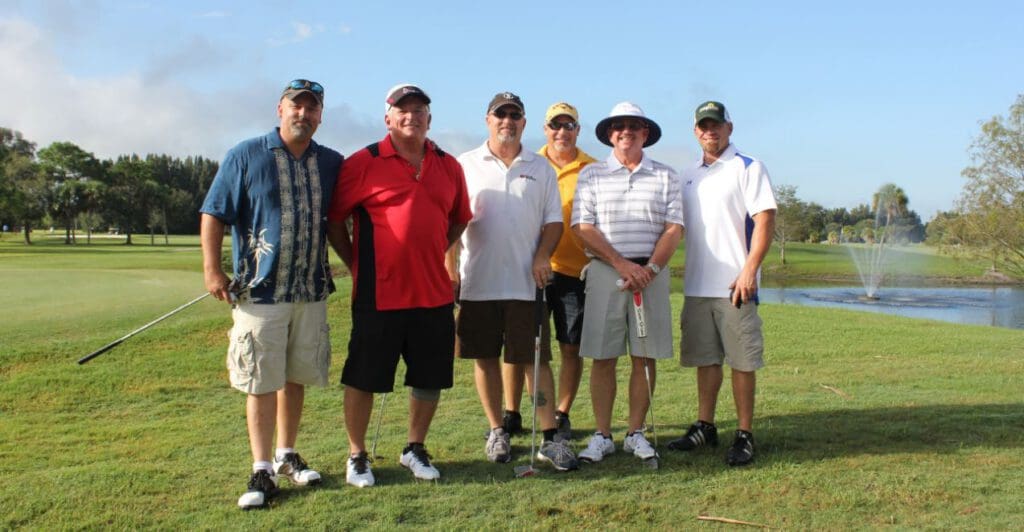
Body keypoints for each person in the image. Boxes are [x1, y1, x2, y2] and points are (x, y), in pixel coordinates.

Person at [200, 79, 342, 510]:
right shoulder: (246, 154)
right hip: (261, 292)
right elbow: (214, 213)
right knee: (261, 380)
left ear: (320, 115)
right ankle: (260, 467)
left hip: (309, 290)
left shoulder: (332, 162)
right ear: (280, 110)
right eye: (296, 106)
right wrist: (212, 268)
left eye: (312, 108)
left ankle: (286, 454)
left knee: (294, 377)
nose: (304, 114)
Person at [327, 84, 472, 487]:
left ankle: (414, 447)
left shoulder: (448, 165)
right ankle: (357, 454)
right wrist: (355, 262)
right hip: (380, 293)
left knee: (429, 377)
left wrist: (433, 249)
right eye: (402, 110)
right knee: (363, 376)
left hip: (433, 293)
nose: (411, 116)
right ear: (388, 118)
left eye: (419, 109)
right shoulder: (363, 162)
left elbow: (460, 217)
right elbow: (335, 221)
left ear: (430, 118)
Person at [449, 92, 579, 471]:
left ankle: (550, 437)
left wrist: (542, 255)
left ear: (524, 122)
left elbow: (553, 221)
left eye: (514, 115)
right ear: (488, 120)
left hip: (526, 284)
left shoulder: (539, 168)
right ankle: (497, 430)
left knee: (533, 362)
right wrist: (450, 266)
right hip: (479, 281)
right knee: (485, 358)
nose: (507, 120)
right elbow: (453, 221)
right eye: (500, 114)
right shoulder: (466, 164)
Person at [572, 102, 684, 465]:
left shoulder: (666, 175)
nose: (626, 131)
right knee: (603, 356)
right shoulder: (592, 175)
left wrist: (649, 269)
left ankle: (635, 432)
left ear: (645, 133)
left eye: (634, 126)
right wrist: (621, 264)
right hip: (607, 272)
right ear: (609, 134)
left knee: (645, 357)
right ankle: (603, 434)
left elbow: (673, 228)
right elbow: (583, 227)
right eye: (618, 126)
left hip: (651, 273)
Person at [667, 100, 777, 467]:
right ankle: (706, 425)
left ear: (729, 127)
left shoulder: (748, 167)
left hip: (735, 285)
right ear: (695, 131)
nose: (710, 131)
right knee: (706, 360)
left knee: (742, 361)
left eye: (716, 124)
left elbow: (764, 221)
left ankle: (744, 433)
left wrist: (750, 270)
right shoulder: (686, 175)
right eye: (703, 126)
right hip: (698, 285)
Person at [501, 102, 596, 441]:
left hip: (575, 272)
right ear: (545, 129)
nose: (562, 132)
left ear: (578, 130)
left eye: (569, 125)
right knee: (520, 345)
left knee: (571, 346)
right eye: (556, 125)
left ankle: (562, 411)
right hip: (532, 268)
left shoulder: (593, 169)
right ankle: (511, 412)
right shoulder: (532, 163)